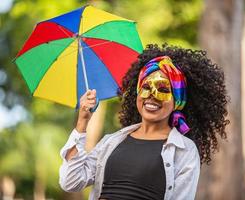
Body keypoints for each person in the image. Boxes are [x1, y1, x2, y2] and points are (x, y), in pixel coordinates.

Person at [59, 44, 229, 200]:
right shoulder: (112, 142)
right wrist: (82, 122)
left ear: (177, 101)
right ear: (138, 93)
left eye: (163, 89)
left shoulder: (184, 151)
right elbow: (71, 181)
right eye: (146, 87)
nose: (151, 95)